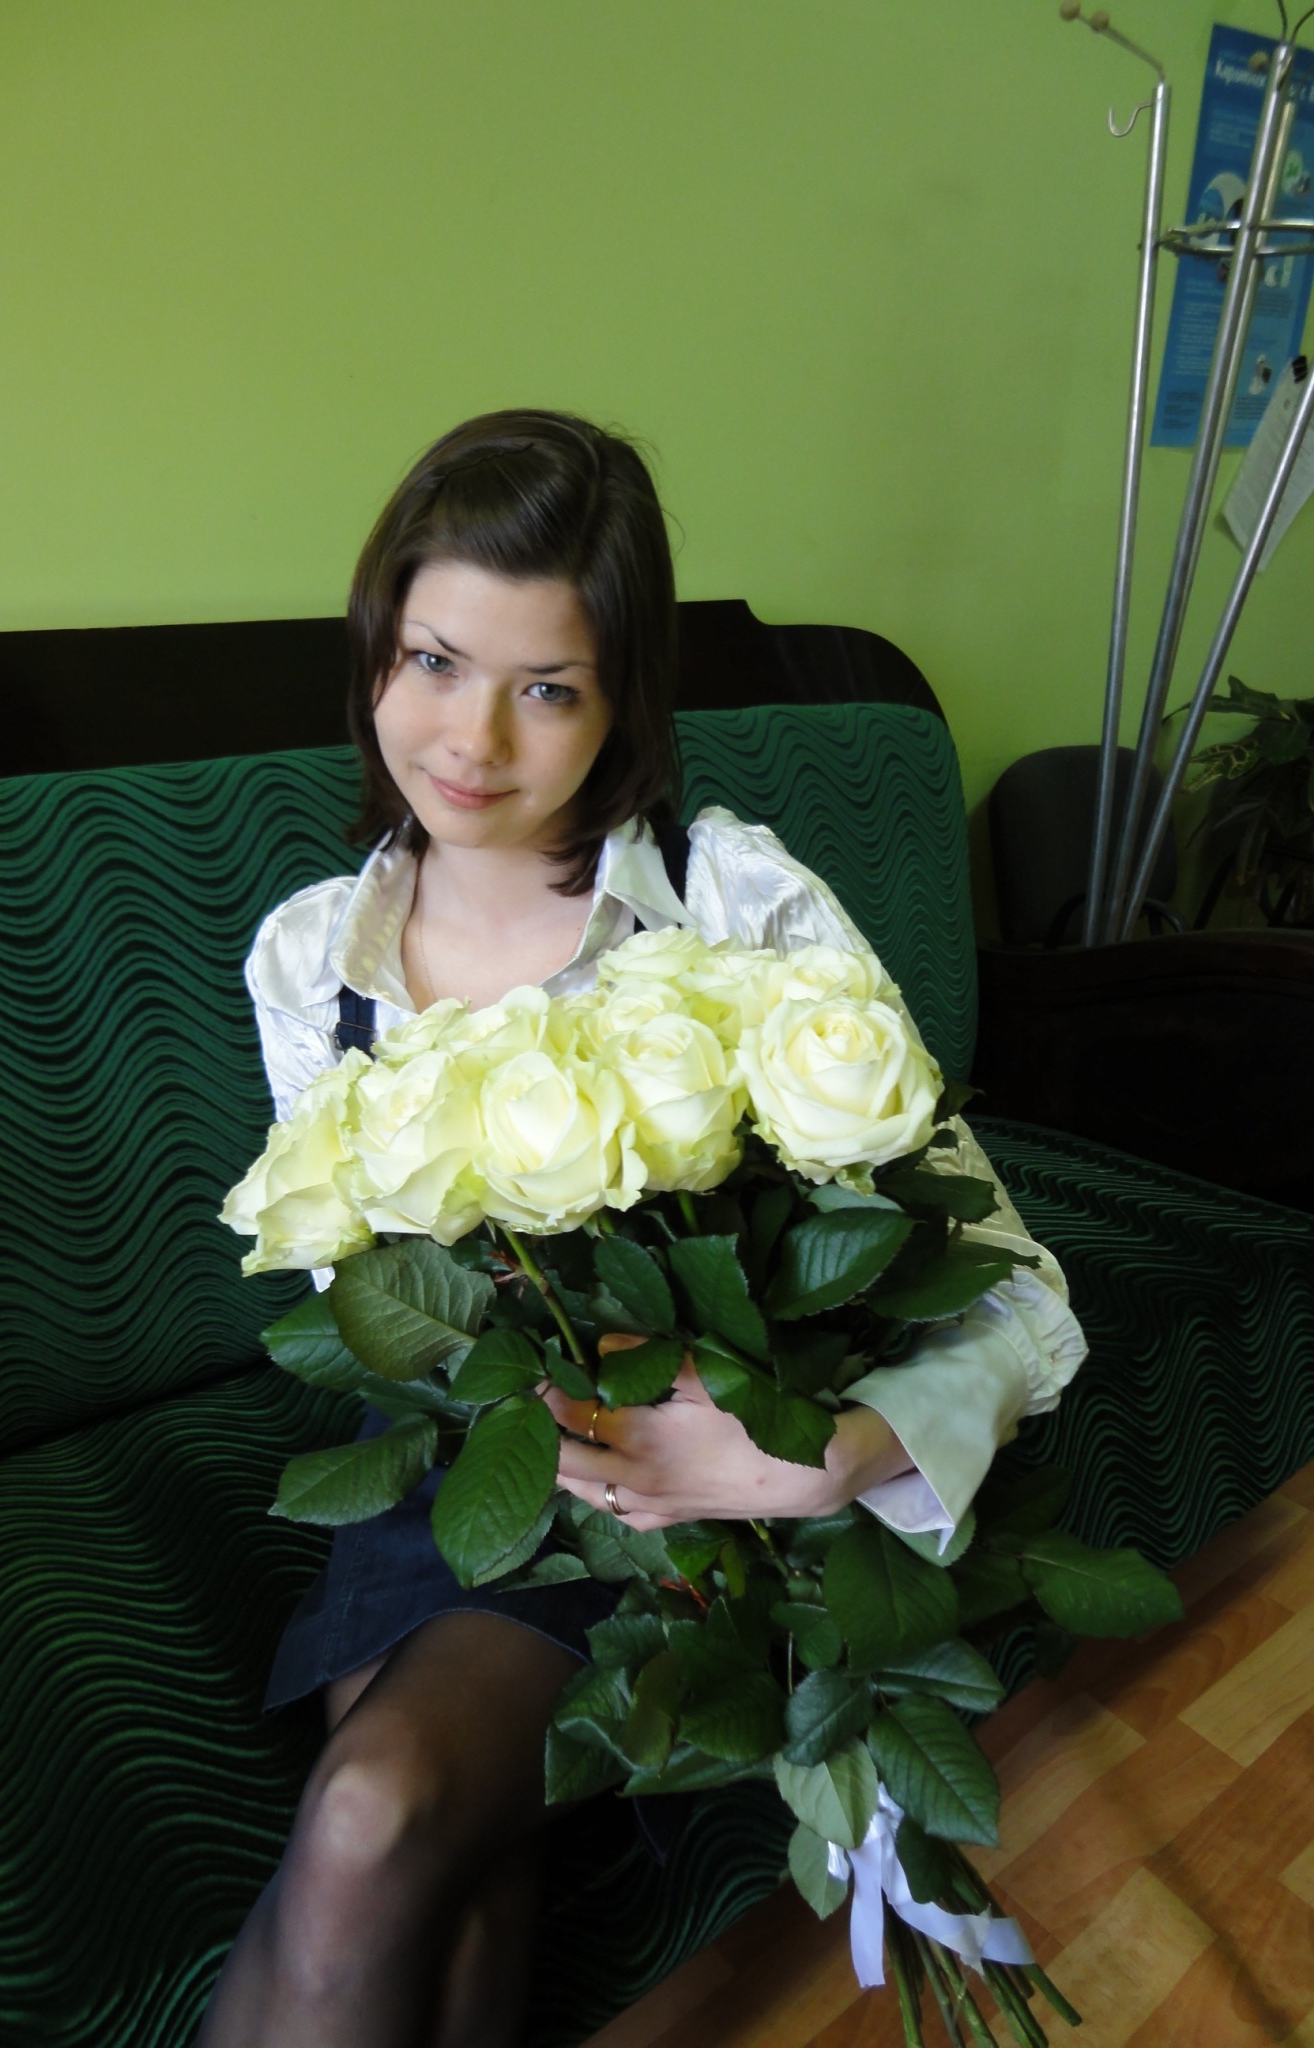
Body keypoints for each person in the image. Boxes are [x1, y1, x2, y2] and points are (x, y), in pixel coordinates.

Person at [197, 410, 1086, 2048]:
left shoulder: (730, 901)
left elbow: (1022, 1293)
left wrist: (826, 1460)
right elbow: (364, 1303)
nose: (472, 740)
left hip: (701, 1483)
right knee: (441, 1873)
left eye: (547, 689)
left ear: (621, 706)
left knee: (374, 1815)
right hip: (467, 1473)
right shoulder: (313, 959)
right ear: (376, 648)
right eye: (433, 661)